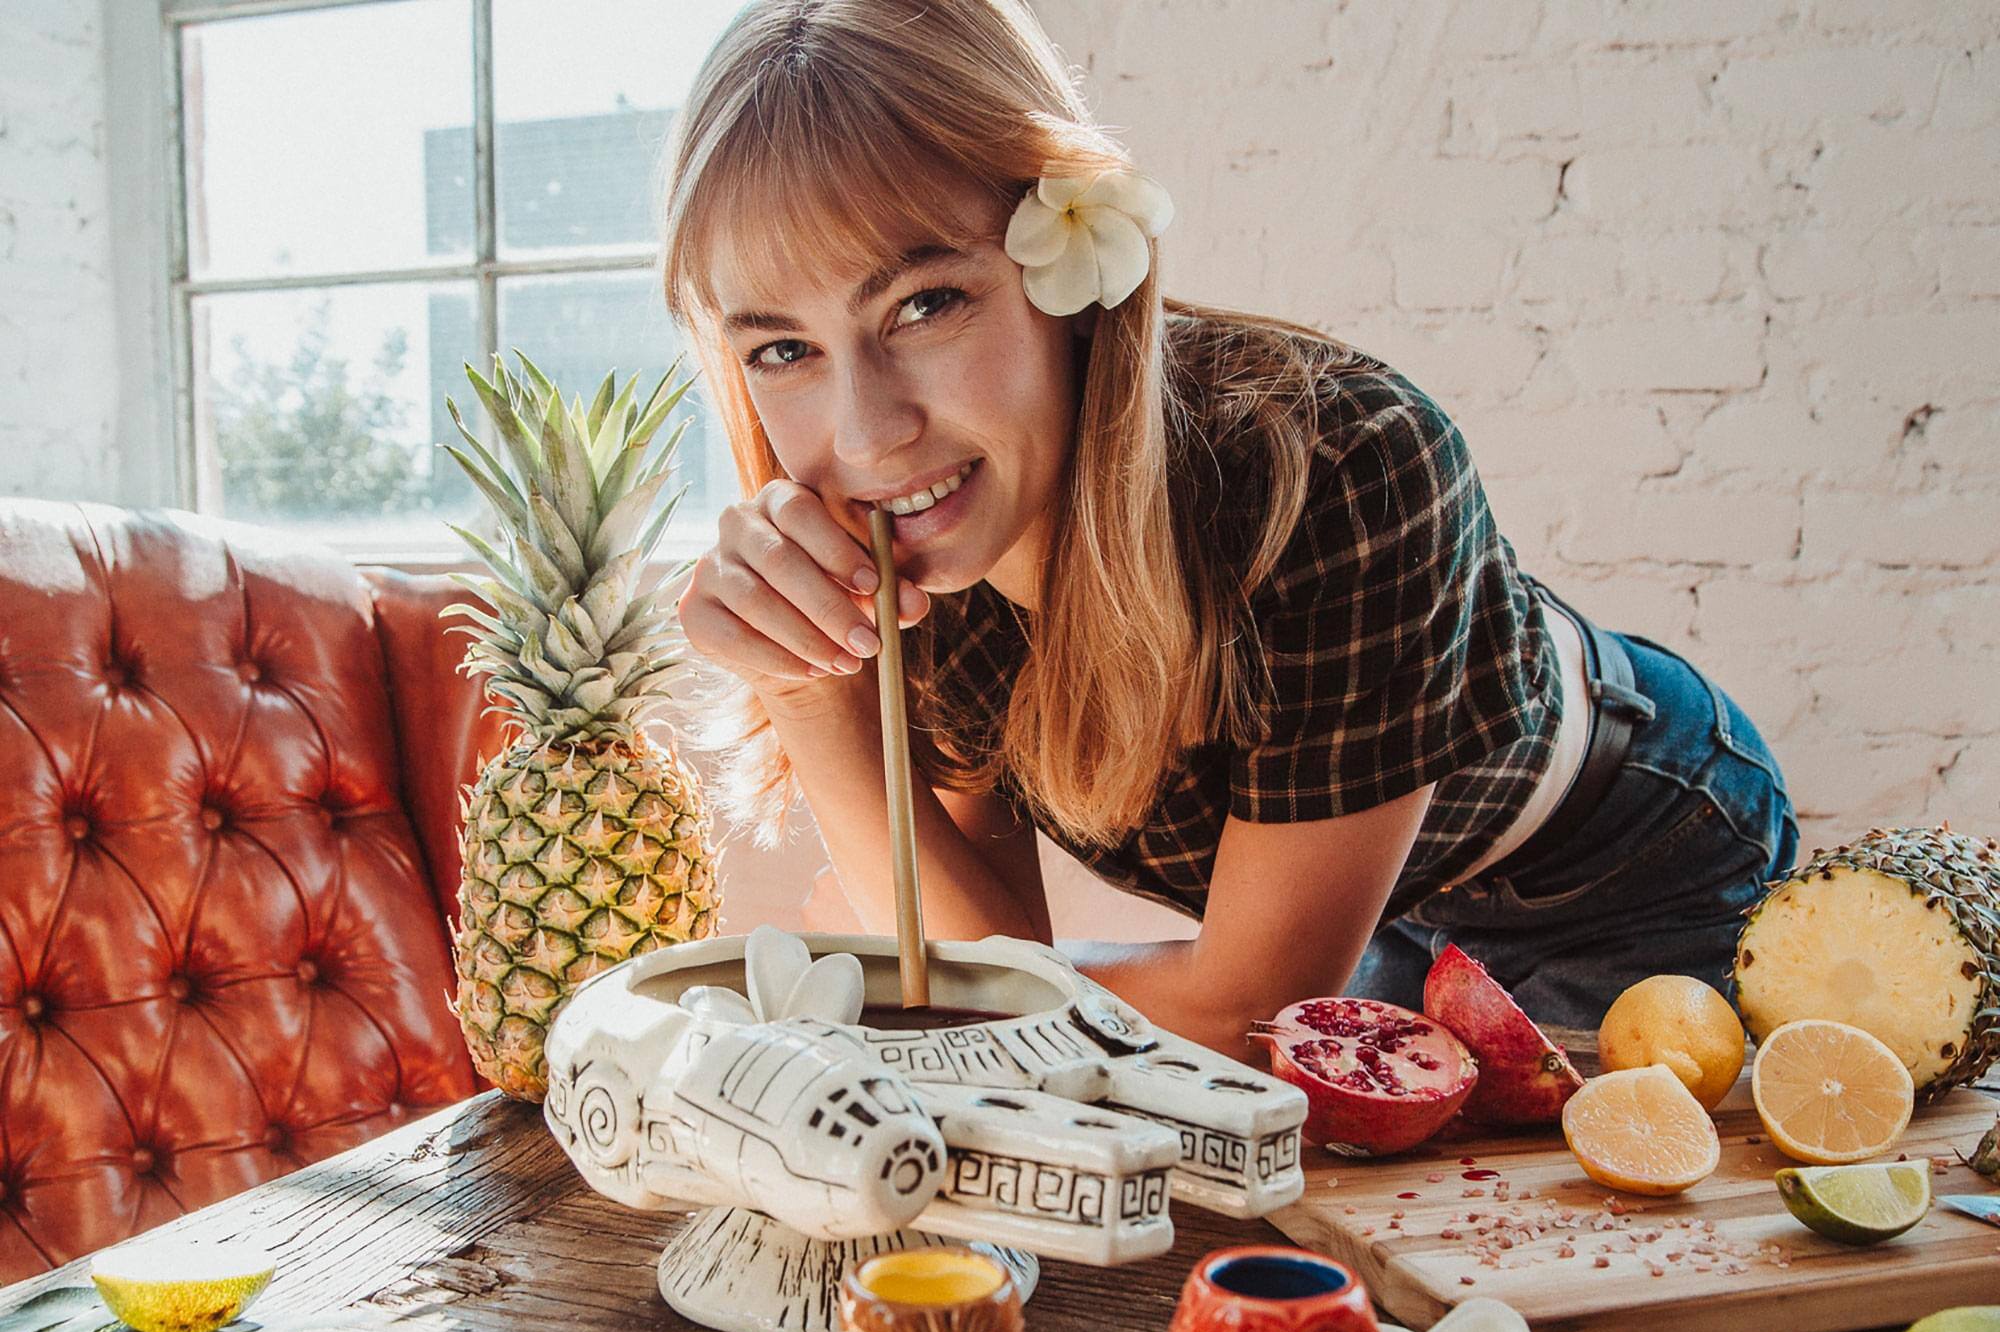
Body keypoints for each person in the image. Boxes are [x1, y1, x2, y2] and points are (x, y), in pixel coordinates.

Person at [665, 0, 1800, 1059]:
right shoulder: (924, 534)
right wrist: (808, 691)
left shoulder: (1345, 464)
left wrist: (966, 993)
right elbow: (975, 953)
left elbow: (1238, 1003)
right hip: (1367, 919)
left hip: (1621, 868)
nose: (865, 437)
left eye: (923, 305)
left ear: (1063, 261)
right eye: (782, 349)